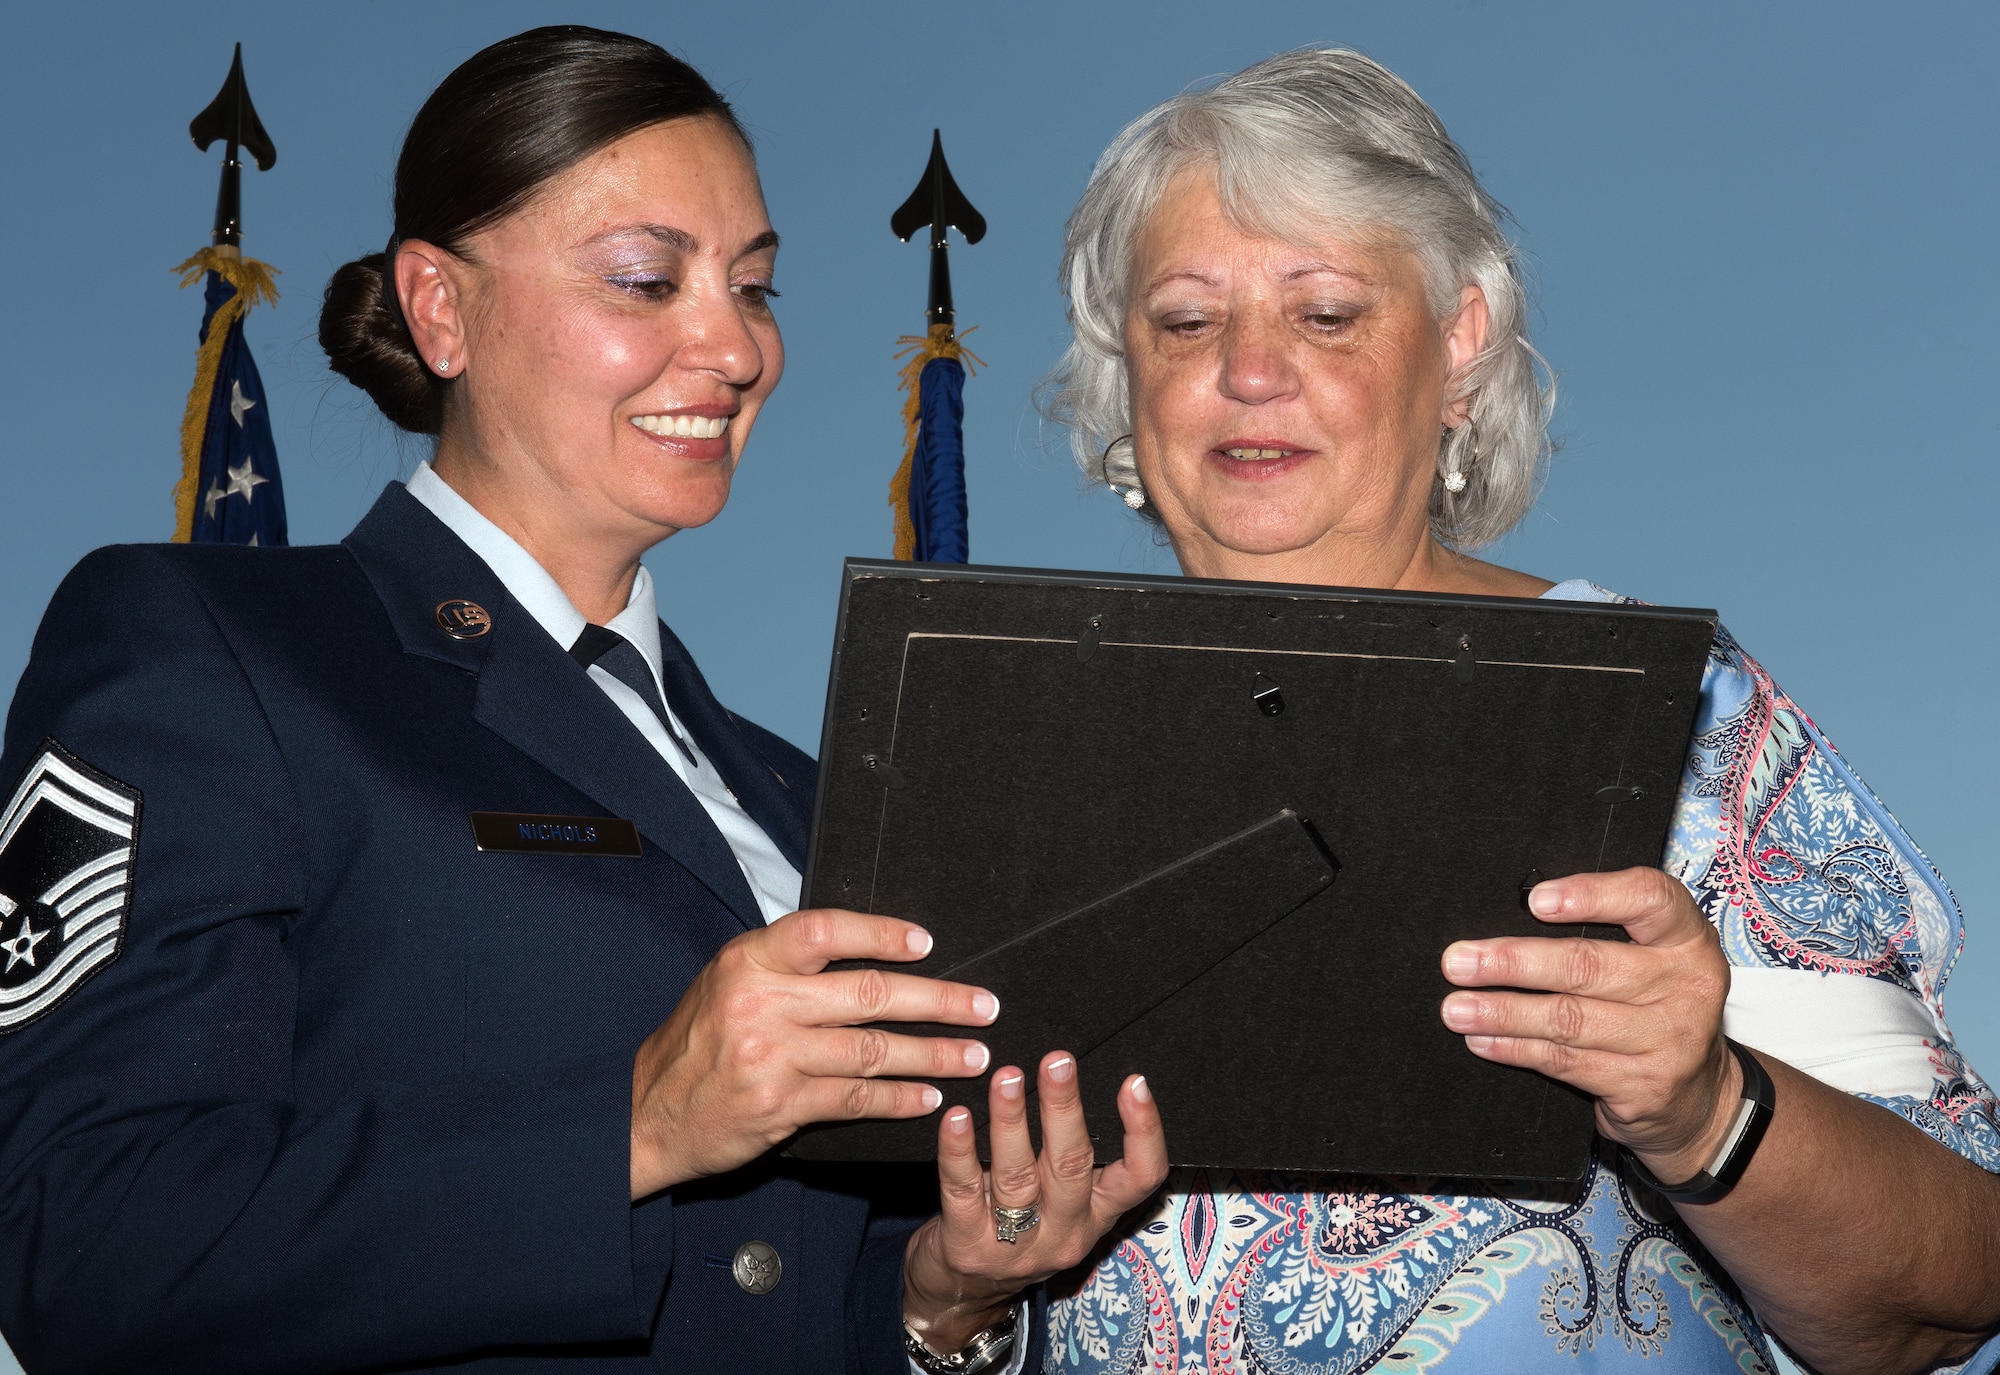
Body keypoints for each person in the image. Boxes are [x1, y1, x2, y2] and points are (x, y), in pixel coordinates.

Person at [0, 27, 1160, 1374]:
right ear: (441, 308)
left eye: (757, 288)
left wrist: (942, 1294)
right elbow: (80, 1241)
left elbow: (795, 1286)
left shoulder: (797, 792)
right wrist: (637, 1125)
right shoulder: (214, 649)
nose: (735, 348)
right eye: (645, 280)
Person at [1035, 48, 2000, 1375]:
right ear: (1124, 371)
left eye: (1325, 314)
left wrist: (1703, 1108)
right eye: (1186, 321)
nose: (1249, 372)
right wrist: (950, 1310)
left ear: (1459, 344)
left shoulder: (1671, 720)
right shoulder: (1004, 739)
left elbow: (1946, 1295)